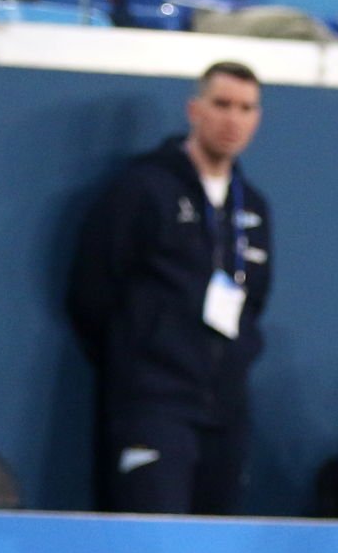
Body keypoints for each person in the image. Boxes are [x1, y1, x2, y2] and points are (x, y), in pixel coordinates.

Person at [69, 61, 272, 516]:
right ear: (194, 109)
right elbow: (92, 292)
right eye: (222, 104)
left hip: (226, 409)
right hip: (153, 403)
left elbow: (255, 301)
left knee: (214, 543)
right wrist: (143, 356)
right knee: (154, 536)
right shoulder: (143, 188)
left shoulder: (254, 207)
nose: (233, 119)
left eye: (246, 108)